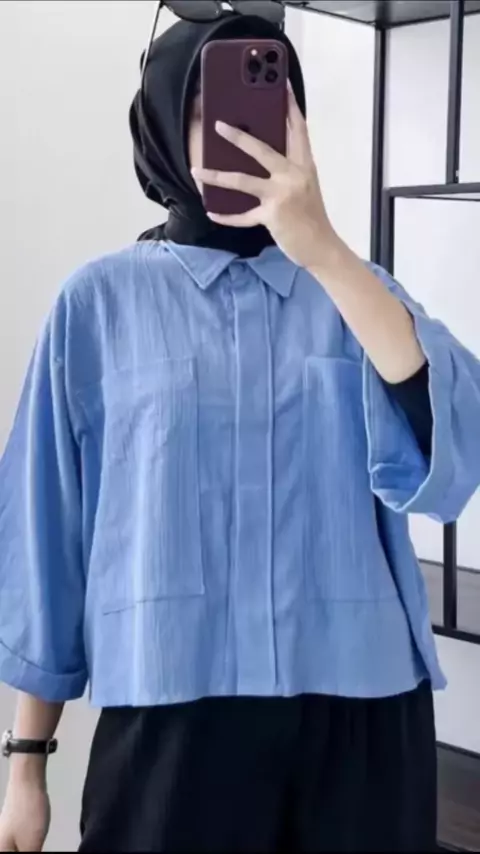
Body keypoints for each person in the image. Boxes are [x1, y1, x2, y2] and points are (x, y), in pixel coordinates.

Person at [1, 10, 480, 854]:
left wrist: (324, 249)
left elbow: (457, 447)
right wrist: (25, 765)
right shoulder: (97, 305)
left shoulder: (355, 291)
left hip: (359, 722)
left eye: (269, 106)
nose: (238, 133)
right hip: (170, 722)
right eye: (204, 111)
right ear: (159, 125)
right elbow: (49, 539)